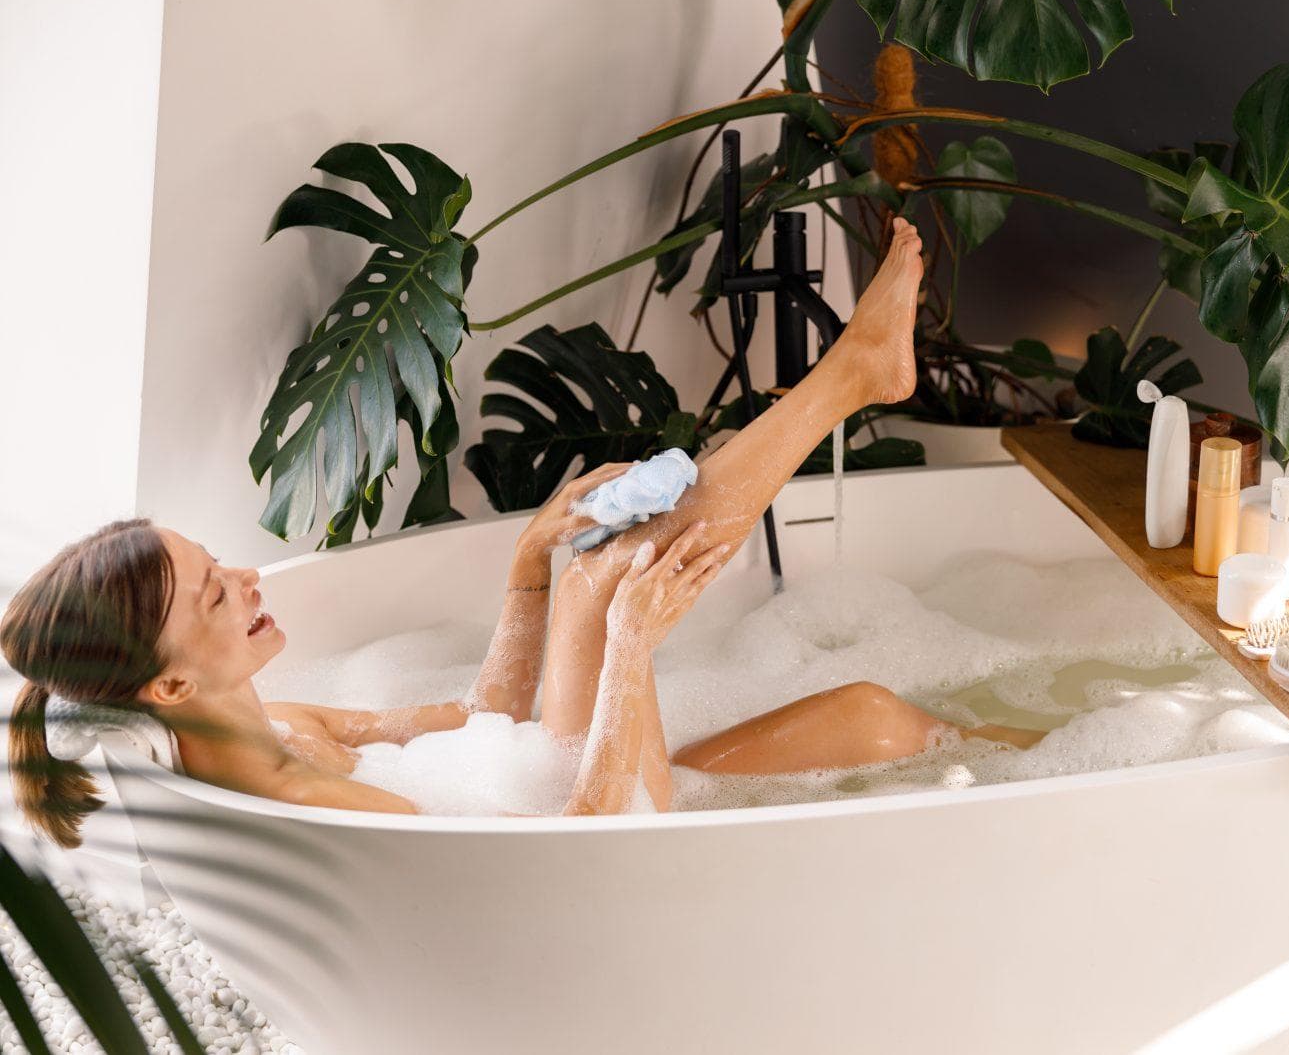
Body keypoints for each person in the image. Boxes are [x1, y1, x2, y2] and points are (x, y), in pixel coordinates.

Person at [4, 219, 1035, 847]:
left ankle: (857, 382)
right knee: (619, 577)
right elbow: (574, 853)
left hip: (580, 802)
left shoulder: (275, 725)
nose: (243, 572)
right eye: (214, 592)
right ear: (170, 684)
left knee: (863, 709)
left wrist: (525, 582)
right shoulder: (298, 791)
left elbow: (477, 728)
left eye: (212, 559)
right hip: (609, 859)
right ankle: (856, 377)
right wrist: (627, 642)